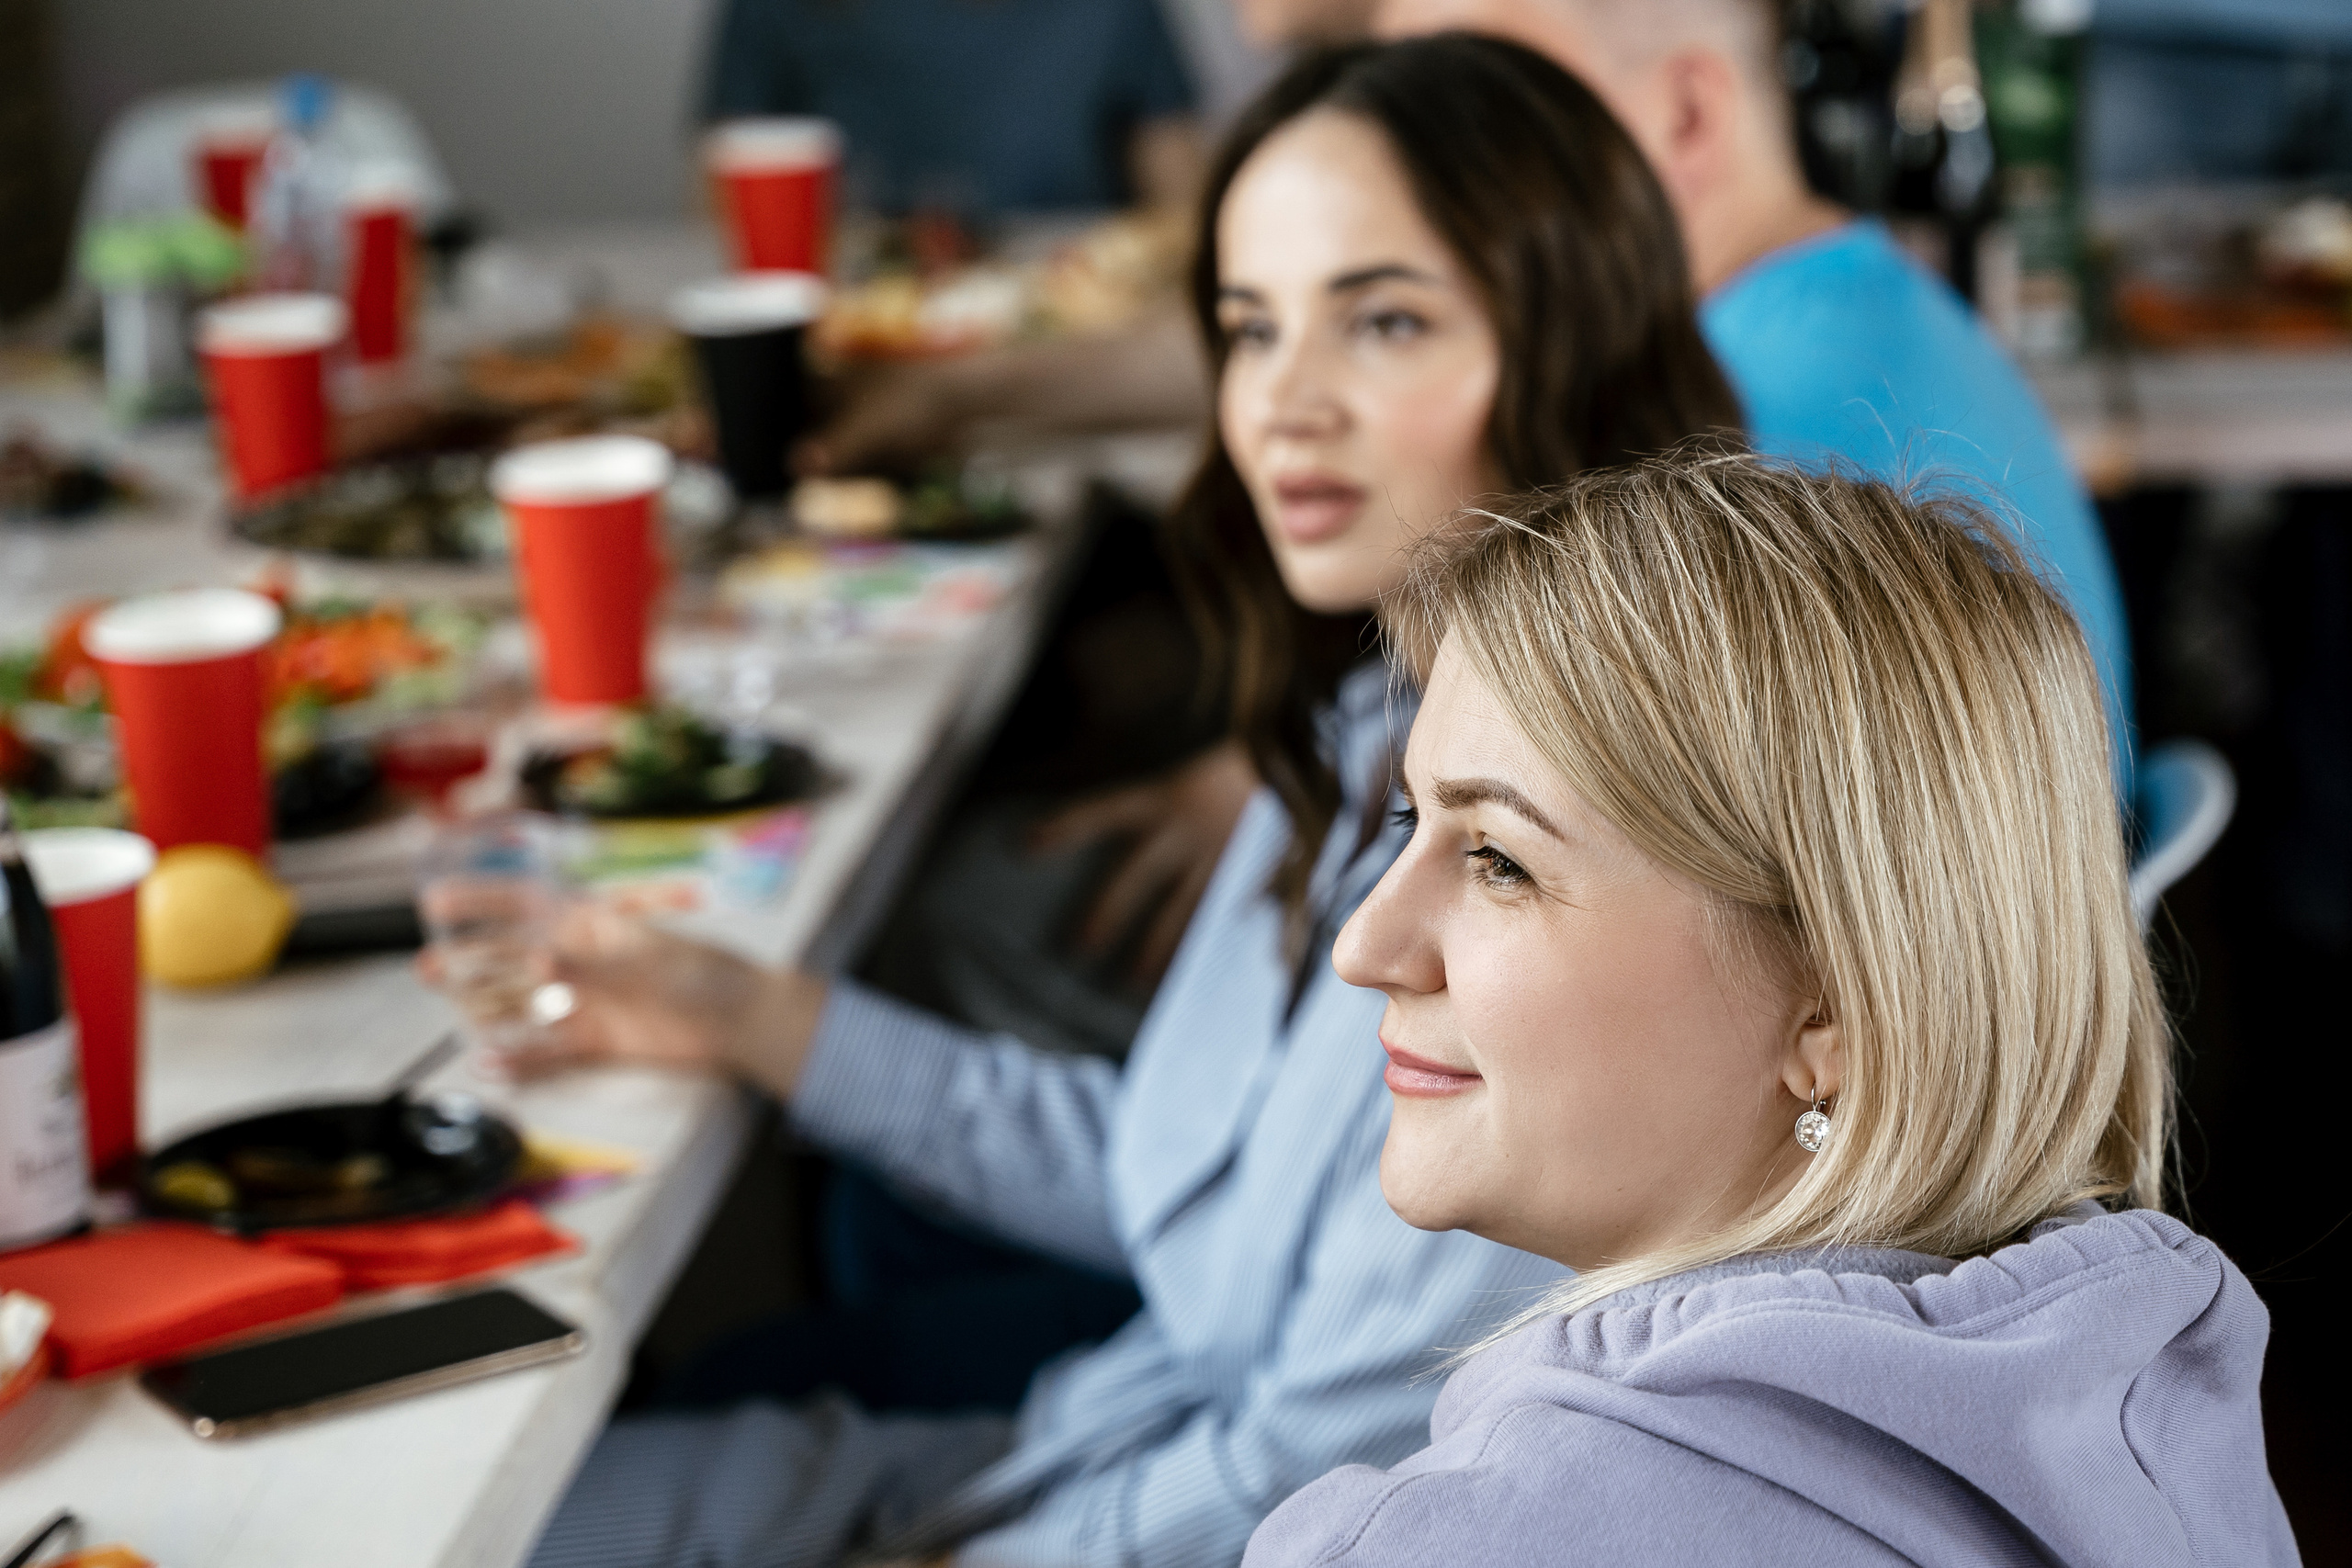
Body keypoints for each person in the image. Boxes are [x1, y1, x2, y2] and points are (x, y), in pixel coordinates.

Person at [483, 35, 1740, 1568]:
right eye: (1249, 328)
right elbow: (1181, 1172)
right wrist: (743, 1013)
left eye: (1385, 322)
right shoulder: (1368, 716)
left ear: (1572, 348)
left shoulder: (1571, 851)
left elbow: (1316, 1462)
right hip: (1082, 1456)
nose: (1282, 405)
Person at [1238, 453, 2294, 1567]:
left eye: (1498, 859)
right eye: (1412, 826)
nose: (1365, 947)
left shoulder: (1459, 1543)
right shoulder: (2158, 1411)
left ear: (1831, 1008)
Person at [703, 0, 1203, 217]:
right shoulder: (783, 13)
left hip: (1071, 347)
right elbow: (720, 203)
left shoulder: (1116, 11)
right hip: (850, 328)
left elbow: (1186, 211)